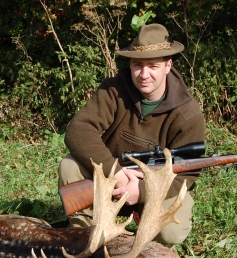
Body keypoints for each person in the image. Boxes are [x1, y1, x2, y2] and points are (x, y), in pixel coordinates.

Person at [58, 23, 205, 246]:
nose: (144, 75)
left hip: (156, 186)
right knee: (69, 166)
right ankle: (88, 240)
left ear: (168, 66)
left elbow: (187, 173)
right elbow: (79, 130)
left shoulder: (188, 113)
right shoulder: (114, 90)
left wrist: (143, 190)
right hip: (112, 175)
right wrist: (115, 172)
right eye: (138, 65)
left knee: (171, 233)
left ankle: (151, 248)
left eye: (153, 66)